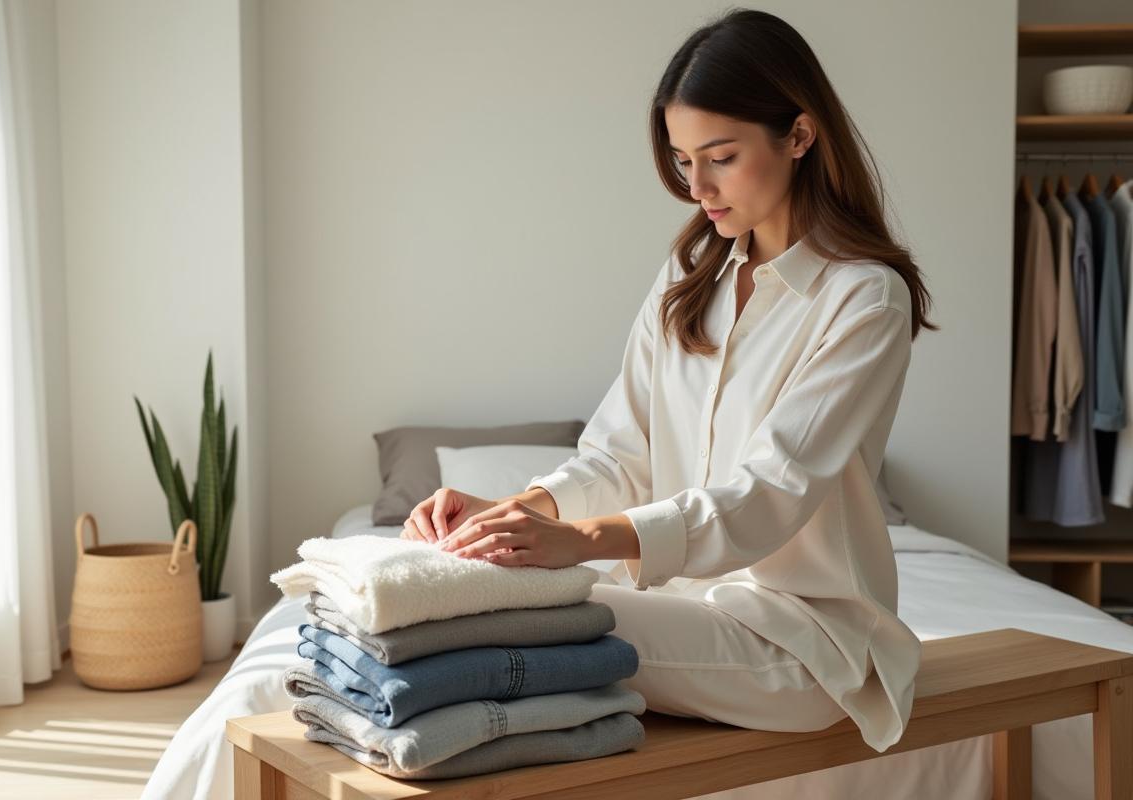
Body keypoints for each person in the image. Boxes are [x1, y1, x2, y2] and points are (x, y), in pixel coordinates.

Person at [400, 7, 935, 755]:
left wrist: (578, 540)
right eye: (684, 161)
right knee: (464, 591)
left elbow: (769, 493)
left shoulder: (864, 299)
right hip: (677, 606)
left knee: (486, 618)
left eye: (721, 157)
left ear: (799, 136)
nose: (697, 186)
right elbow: (619, 454)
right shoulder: (691, 274)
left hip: (797, 640)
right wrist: (510, 514)